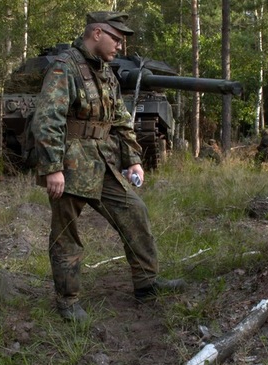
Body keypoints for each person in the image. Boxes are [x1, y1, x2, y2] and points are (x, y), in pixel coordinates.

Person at [31, 11, 185, 322]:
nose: (120, 46)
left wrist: (134, 160)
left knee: (134, 211)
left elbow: (121, 121)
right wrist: (52, 168)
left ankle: (146, 283)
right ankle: (68, 302)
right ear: (97, 33)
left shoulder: (106, 73)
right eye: (116, 38)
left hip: (101, 163)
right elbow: (48, 119)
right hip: (70, 165)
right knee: (66, 235)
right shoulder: (65, 67)